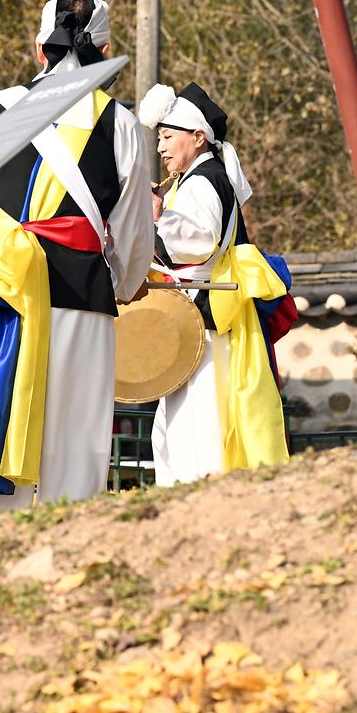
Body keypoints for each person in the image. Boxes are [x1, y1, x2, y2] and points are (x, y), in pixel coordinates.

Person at [0, 0, 156, 508]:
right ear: (105, 52)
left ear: (39, 45)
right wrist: (129, 282)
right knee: (72, 439)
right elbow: (136, 233)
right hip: (79, 296)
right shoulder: (121, 125)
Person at [137, 83, 288, 483]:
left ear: (198, 137)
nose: (161, 148)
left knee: (198, 417)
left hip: (203, 315)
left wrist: (158, 217)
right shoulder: (197, 178)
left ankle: (199, 492)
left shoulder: (204, 180)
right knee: (187, 417)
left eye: (168, 137)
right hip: (200, 313)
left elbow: (198, 242)